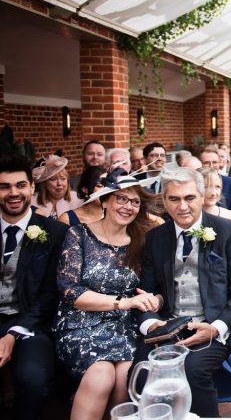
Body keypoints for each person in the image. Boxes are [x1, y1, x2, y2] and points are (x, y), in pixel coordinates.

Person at [134, 168, 231, 418]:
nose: (183, 206)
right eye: (174, 199)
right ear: (164, 201)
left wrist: (217, 327)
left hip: (214, 326)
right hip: (169, 325)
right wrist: (151, 324)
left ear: (202, 196)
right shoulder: (156, 238)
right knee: (143, 373)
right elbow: (147, 290)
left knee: (192, 370)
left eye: (189, 198)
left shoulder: (229, 231)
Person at [55, 170, 160, 420]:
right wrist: (122, 303)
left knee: (126, 377)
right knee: (101, 375)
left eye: (135, 202)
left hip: (124, 326)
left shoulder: (143, 241)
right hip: (79, 323)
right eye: (121, 199)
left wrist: (157, 299)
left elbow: (155, 289)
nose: (128, 206)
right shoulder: (78, 234)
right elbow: (70, 291)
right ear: (104, 200)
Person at [0, 154, 68, 419]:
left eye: (20, 185)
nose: (13, 193)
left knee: (33, 380)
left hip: (32, 324)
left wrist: (13, 333)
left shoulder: (54, 232)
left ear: (31, 188)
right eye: (4, 186)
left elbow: (52, 292)